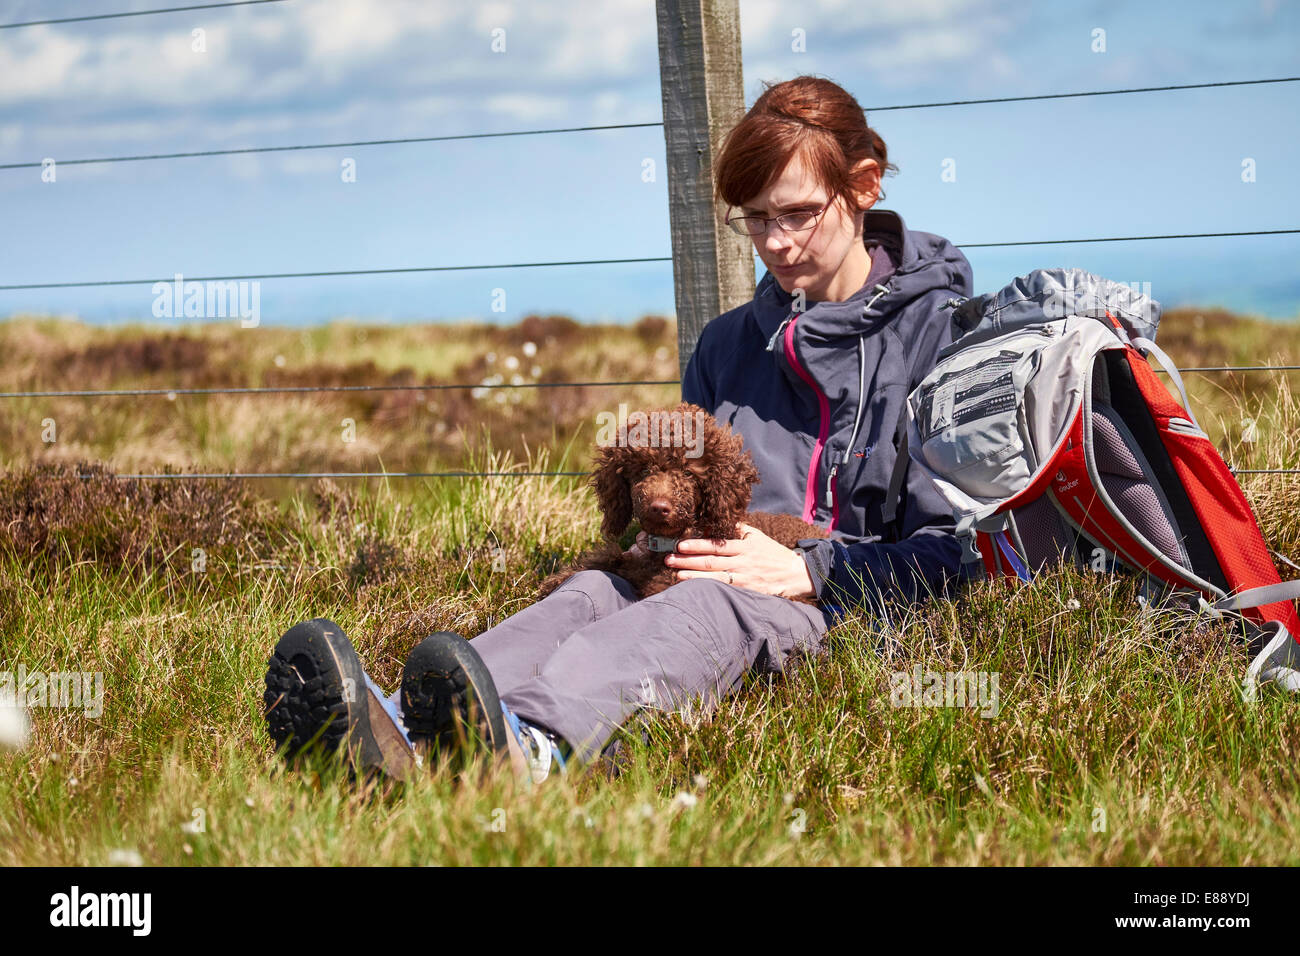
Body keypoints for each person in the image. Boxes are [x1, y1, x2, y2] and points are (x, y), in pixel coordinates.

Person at [261, 75, 974, 784]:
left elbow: (965, 557)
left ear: (865, 186)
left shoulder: (943, 340)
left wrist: (807, 570)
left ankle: (532, 748)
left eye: (798, 214)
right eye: (755, 218)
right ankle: (399, 737)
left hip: (841, 610)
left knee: (706, 603)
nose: (777, 244)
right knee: (592, 596)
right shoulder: (726, 347)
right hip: (689, 584)